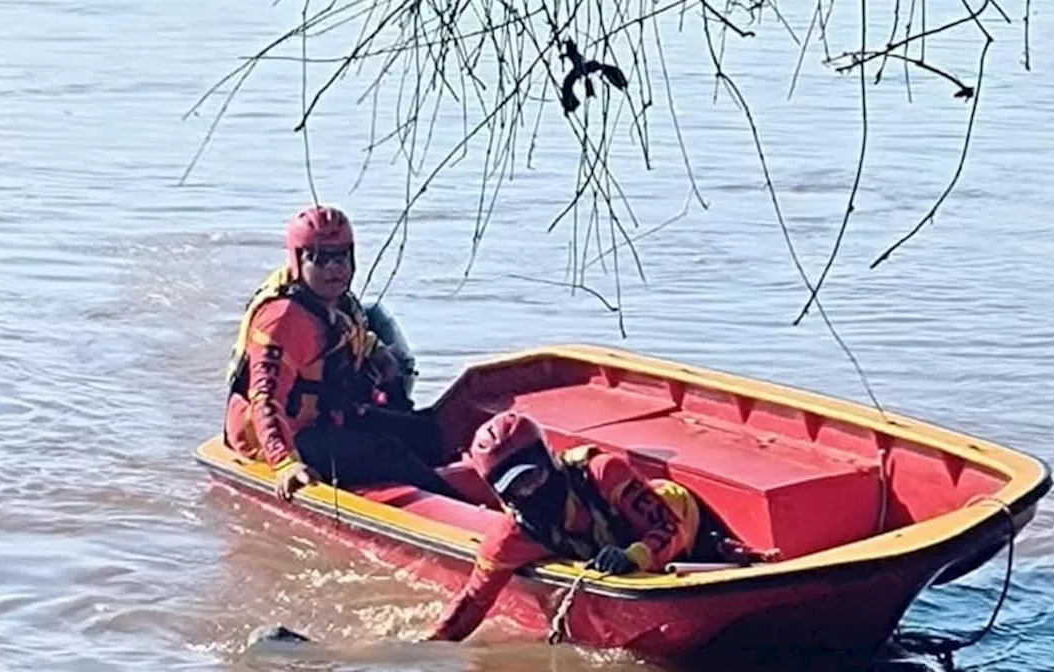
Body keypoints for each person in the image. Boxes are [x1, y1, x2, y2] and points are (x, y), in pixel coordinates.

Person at [423, 411, 770, 642]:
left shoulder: (604, 473)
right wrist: (426, 647)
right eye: (516, 486)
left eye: (535, 475)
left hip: (678, 526)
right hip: (618, 551)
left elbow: (668, 526)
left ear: (549, 462)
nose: (531, 490)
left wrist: (634, 556)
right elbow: (473, 601)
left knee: (696, 537)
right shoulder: (509, 538)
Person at [222, 204, 461, 502]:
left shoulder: (340, 303)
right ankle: (460, 507)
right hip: (283, 437)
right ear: (298, 261)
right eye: (319, 259)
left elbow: (352, 337)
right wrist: (285, 462)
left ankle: (467, 483)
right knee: (387, 451)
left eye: (341, 257)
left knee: (425, 432)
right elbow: (265, 399)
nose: (334, 268)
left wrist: (382, 359)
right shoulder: (283, 320)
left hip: (327, 417)